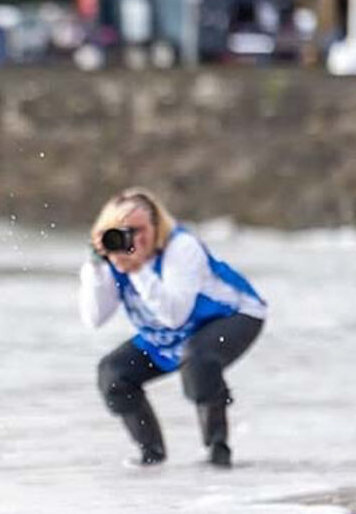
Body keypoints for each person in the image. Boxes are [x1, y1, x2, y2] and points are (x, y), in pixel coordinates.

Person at [79, 188, 266, 468]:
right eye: (125, 231)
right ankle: (151, 456)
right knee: (113, 374)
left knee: (198, 361)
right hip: (171, 333)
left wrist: (137, 269)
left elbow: (174, 315)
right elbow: (94, 319)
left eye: (141, 230)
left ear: (157, 227)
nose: (135, 239)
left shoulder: (181, 248)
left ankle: (218, 452)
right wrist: (96, 269)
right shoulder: (113, 258)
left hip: (232, 316)